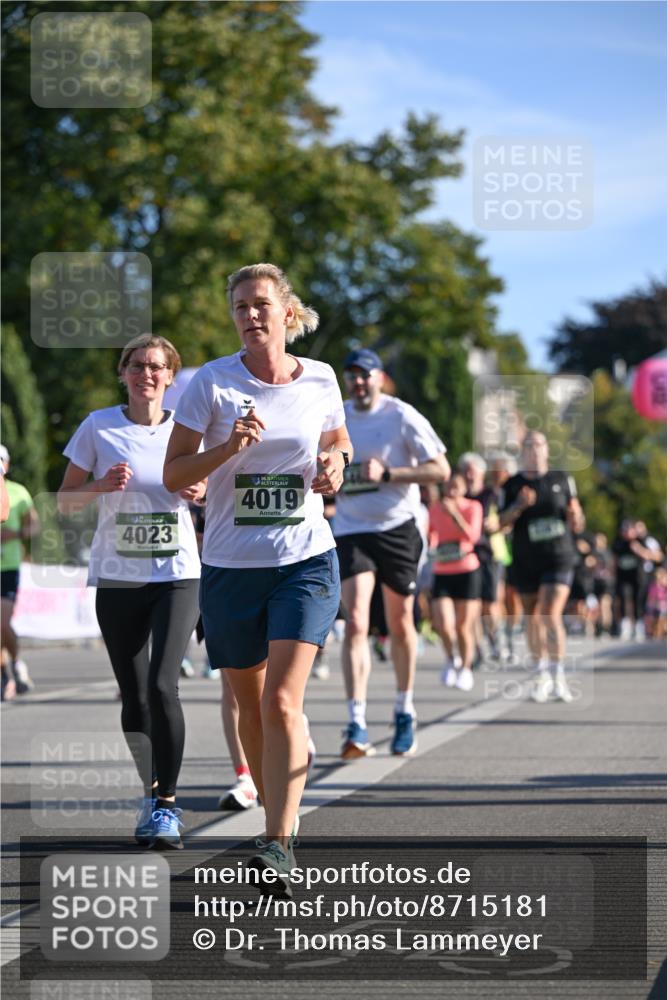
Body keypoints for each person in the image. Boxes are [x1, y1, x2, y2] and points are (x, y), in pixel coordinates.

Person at [164, 262, 351, 892]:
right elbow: (174, 473)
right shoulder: (209, 385)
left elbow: (339, 441)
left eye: (261, 304)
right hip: (229, 565)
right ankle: (277, 808)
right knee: (249, 703)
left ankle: (278, 838)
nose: (249, 315)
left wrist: (336, 464)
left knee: (280, 700)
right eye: (239, 306)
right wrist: (229, 450)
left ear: (287, 314)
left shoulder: (321, 378)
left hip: (304, 558)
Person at [58, 334, 203, 849]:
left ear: (170, 377)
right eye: (137, 365)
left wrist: (200, 490)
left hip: (177, 572)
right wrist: (98, 487)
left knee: (165, 685)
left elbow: (211, 489)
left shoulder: (189, 430)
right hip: (119, 576)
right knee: (135, 694)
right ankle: (150, 791)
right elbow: (64, 503)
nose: (147, 374)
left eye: (157, 367)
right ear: (123, 373)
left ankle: (168, 806)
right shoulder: (98, 426)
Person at [333, 348, 450, 759]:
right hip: (351, 529)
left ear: (380, 378)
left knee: (400, 623)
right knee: (355, 622)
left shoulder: (402, 416)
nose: (358, 382)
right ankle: (357, 720)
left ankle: (403, 709)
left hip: (397, 528)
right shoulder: (336, 414)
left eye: (365, 375)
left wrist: (390, 474)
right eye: (352, 376)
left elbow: (440, 470)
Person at [499, 431, 584, 703]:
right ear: (522, 452)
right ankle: (541, 674)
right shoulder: (512, 485)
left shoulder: (562, 479)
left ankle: (558, 675)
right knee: (531, 616)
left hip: (559, 556)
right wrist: (519, 506)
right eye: (528, 446)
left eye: (538, 445)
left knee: (550, 612)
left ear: (547, 450)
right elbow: (501, 524)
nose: (534, 450)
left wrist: (576, 516)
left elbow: (578, 522)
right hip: (526, 559)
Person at [428, 472, 483, 690]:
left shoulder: (473, 507)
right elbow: (430, 532)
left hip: (467, 569)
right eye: (448, 487)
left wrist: (455, 515)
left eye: (456, 487)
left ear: (464, 489)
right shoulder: (434, 508)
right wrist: (431, 544)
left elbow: (473, 537)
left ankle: (466, 668)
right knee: (443, 623)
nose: (451, 491)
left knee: (463, 626)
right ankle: (452, 659)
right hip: (442, 569)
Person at [459, 452, 508, 663]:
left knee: (490, 604)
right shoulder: (459, 498)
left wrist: (496, 525)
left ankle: (496, 640)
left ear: (481, 472)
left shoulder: (493, 494)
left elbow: (507, 521)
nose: (470, 475)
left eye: (473, 470)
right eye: (466, 470)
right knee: (473, 605)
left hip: (490, 553)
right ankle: (477, 650)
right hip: (466, 555)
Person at [1, 445, 40, 700]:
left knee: (1, 622)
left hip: (8, 565)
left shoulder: (17, 492)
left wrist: (14, 534)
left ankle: (14, 664)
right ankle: (7, 673)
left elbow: (33, 528)